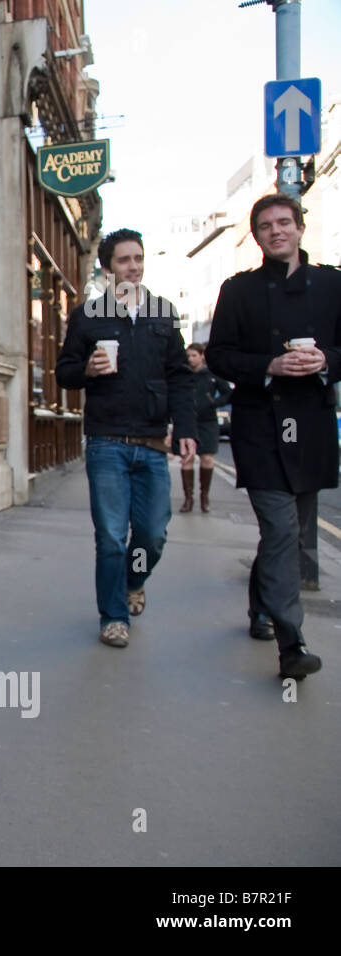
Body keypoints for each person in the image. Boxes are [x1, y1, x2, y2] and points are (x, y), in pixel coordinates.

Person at [206, 193, 339, 680]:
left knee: (290, 534)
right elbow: (219, 355)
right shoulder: (238, 290)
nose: (276, 231)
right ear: (256, 236)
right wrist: (269, 365)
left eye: (284, 222)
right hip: (260, 427)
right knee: (282, 531)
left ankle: (260, 605)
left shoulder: (332, 283)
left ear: (300, 228)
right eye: (265, 226)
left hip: (312, 427)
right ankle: (292, 644)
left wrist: (326, 361)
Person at [56, 228, 196, 649]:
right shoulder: (87, 316)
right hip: (107, 442)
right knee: (112, 536)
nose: (133, 267)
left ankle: (135, 580)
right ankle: (113, 616)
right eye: (123, 260)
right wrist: (88, 371)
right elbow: (64, 371)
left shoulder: (162, 314)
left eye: (138, 258)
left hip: (153, 443)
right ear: (107, 267)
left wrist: (186, 429)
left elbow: (180, 377)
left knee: (152, 534)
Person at [171, 342, 232, 513]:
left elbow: (228, 393)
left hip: (207, 422)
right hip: (187, 421)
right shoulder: (183, 373)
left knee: (207, 458)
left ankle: (204, 497)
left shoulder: (211, 374)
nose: (190, 359)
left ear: (202, 356)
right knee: (186, 459)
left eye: (194, 355)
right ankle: (188, 499)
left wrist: (213, 403)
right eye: (188, 356)